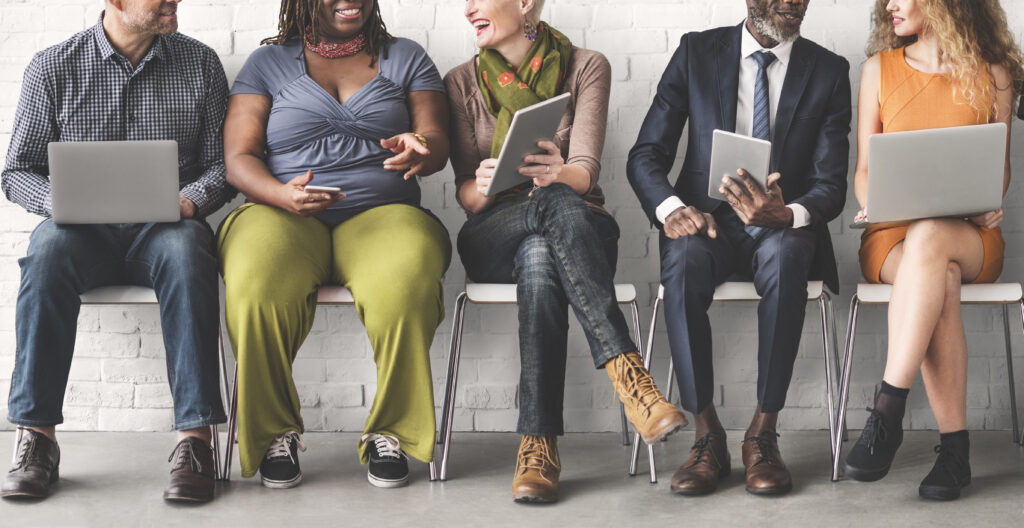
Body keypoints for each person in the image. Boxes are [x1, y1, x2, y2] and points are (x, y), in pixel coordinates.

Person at [448, 0, 686, 504]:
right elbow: (465, 197)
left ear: (526, 3)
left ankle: (538, 447)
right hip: (493, 228)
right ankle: (630, 377)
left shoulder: (586, 65)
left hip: (579, 225)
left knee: (541, 250)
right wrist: (486, 184)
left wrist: (557, 174)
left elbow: (585, 171)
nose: (468, 9)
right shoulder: (461, 81)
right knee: (540, 223)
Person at [0, 0, 232, 503]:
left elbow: (222, 164)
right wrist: (58, 204)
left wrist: (191, 199)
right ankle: (36, 438)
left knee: (190, 254)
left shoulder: (201, 63)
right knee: (45, 254)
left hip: (167, 226)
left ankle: (194, 441)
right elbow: (17, 169)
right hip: (82, 232)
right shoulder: (53, 66)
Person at [220, 0, 451, 489]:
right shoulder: (268, 64)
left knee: (406, 279)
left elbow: (436, 138)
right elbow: (239, 158)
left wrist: (422, 148)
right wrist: (280, 194)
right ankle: (273, 434)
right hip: (280, 210)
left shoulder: (405, 57)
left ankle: (392, 433)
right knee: (255, 282)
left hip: (382, 213)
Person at [628, 0, 852, 496]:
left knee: (789, 253)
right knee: (683, 261)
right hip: (708, 222)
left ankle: (762, 433)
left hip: (780, 225)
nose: (795, 2)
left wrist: (787, 213)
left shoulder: (830, 70)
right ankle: (707, 433)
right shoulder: (695, 53)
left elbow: (830, 184)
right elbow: (646, 154)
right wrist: (672, 209)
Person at [843, 0, 1022, 501]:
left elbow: (999, 170)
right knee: (933, 267)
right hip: (891, 237)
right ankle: (955, 453)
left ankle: (887, 413)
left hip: (970, 237)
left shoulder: (995, 76)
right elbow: (863, 170)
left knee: (933, 239)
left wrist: (989, 202)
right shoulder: (878, 71)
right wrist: (872, 201)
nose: (889, 5)